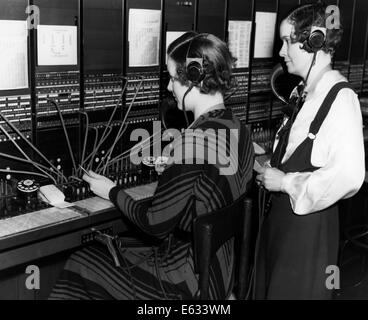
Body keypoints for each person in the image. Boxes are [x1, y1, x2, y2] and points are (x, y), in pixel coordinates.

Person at [49, 32, 254, 300]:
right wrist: (175, 173)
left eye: (171, 78)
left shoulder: (193, 141)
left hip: (186, 282)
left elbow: (155, 225)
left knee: (81, 261)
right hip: (219, 274)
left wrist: (111, 191)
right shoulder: (239, 128)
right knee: (120, 246)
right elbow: (212, 196)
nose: (169, 87)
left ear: (193, 76)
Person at [254, 2, 365, 300]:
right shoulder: (304, 92)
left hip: (308, 234)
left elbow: (351, 175)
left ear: (314, 41)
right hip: (283, 224)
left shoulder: (341, 99)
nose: (280, 51)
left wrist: (286, 182)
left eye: (287, 41)